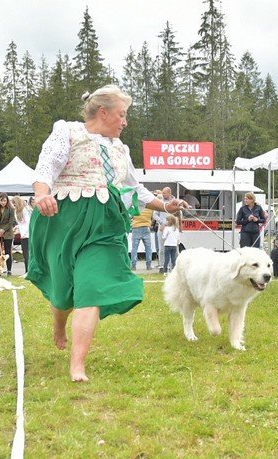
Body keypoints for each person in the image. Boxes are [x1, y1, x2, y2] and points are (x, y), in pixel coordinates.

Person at [28, 84, 187, 381]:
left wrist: (166, 206)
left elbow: (135, 189)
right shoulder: (68, 131)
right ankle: (59, 322)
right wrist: (41, 195)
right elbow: (46, 167)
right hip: (64, 220)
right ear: (103, 112)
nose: (125, 122)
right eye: (122, 114)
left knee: (91, 289)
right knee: (62, 294)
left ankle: (77, 365)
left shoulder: (121, 149)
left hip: (104, 225)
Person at [0, 192, 15, 275]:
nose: (3, 202)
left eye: (5, 201)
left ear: (7, 200)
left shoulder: (11, 209)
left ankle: (9, 270)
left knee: (8, 251)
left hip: (8, 233)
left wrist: (3, 230)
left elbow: (11, 222)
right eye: (1, 201)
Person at [130, 201, 154, 269]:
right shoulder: (150, 209)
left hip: (136, 228)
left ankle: (133, 265)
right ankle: (148, 265)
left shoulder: (136, 208)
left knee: (134, 248)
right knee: (148, 248)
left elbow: (131, 216)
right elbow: (152, 218)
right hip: (146, 227)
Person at [12, 195, 32, 272]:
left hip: (27, 235)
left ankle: (28, 271)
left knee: (27, 254)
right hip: (23, 234)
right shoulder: (16, 211)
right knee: (25, 254)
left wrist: (25, 233)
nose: (14, 206)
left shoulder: (25, 210)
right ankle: (27, 270)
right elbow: (21, 224)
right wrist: (16, 228)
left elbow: (28, 223)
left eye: (15, 204)